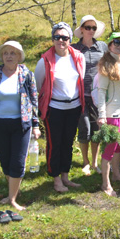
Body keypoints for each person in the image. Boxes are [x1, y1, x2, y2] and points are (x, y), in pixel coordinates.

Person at [0, 41, 39, 210]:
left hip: (21, 124)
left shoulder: (27, 75)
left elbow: (34, 100)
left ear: (19, 56)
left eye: (13, 53)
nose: (9, 56)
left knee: (18, 162)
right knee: (5, 161)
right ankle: (14, 190)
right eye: (6, 53)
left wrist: (35, 125)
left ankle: (12, 199)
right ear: (2, 56)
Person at [35, 23, 85, 193]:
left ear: (70, 39)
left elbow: (80, 79)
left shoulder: (78, 57)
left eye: (64, 37)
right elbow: (38, 85)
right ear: (52, 39)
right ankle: (55, 178)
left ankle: (65, 176)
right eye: (57, 37)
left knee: (68, 142)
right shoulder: (44, 61)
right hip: (54, 108)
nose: (61, 40)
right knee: (54, 143)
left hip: (74, 107)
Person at [94, 32, 120, 196]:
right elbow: (101, 92)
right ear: (110, 45)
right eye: (116, 42)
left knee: (118, 146)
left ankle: (116, 174)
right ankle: (106, 184)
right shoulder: (106, 64)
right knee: (109, 150)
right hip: (112, 114)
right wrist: (102, 115)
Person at [71, 15, 108, 176]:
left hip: (98, 94)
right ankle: (85, 162)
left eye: (93, 28)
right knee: (84, 127)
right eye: (88, 27)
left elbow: (110, 64)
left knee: (96, 129)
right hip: (80, 94)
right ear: (81, 30)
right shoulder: (74, 49)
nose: (91, 30)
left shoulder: (102, 46)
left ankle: (94, 163)